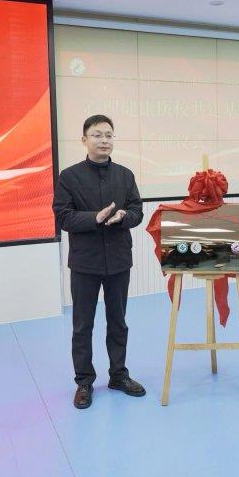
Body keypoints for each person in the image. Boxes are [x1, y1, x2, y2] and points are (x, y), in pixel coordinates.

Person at [53, 114, 145, 409]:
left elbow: (137, 210)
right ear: (84, 140)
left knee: (118, 322)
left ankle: (119, 375)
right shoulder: (69, 177)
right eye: (97, 135)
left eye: (108, 135)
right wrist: (95, 217)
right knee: (83, 325)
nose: (104, 140)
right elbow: (63, 217)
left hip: (118, 260)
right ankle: (84, 382)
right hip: (85, 263)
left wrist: (124, 216)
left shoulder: (125, 175)